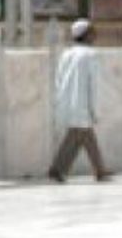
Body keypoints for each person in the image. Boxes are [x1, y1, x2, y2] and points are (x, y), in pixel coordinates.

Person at [48, 19, 112, 183]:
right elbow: (94, 84)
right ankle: (57, 168)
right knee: (81, 134)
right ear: (87, 35)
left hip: (67, 102)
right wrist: (95, 108)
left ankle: (99, 170)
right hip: (82, 103)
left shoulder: (66, 54)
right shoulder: (91, 55)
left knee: (82, 135)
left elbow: (58, 80)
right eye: (92, 32)